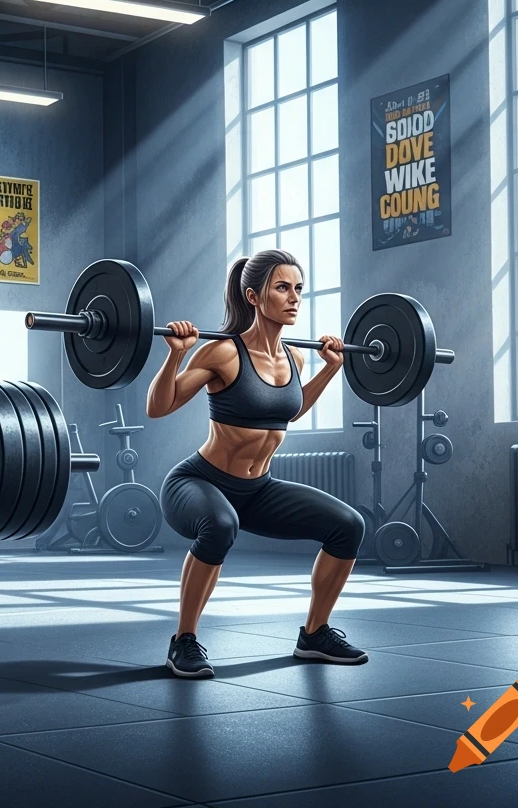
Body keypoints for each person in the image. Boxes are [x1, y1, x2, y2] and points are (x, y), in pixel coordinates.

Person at [146, 249, 367, 679]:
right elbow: (160, 406)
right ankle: (183, 642)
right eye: (282, 288)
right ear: (253, 296)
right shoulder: (223, 353)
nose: (294, 298)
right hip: (198, 483)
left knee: (349, 525)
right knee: (220, 525)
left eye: (298, 288)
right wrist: (175, 354)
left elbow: (288, 408)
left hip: (258, 490)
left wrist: (330, 369)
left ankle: (315, 634)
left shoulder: (295, 358)